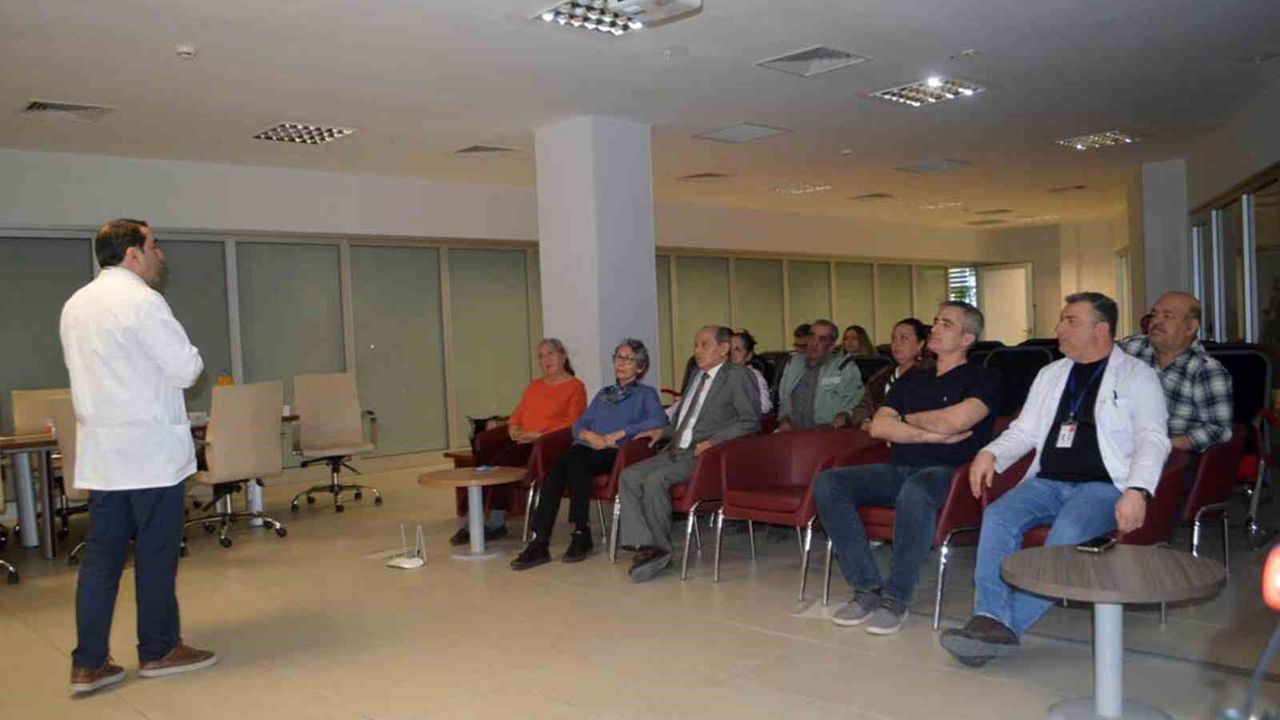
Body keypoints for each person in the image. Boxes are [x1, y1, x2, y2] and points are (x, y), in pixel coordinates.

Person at [940, 292, 1170, 666]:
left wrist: (1138, 489)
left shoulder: (1136, 375)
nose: (1059, 327)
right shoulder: (1051, 374)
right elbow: (1024, 431)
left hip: (1104, 486)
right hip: (1047, 482)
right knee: (998, 516)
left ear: (1101, 329)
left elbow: (1152, 438)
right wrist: (990, 453)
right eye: (1061, 319)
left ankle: (1002, 628)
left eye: (1070, 321)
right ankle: (989, 615)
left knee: (1069, 532)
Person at [61, 219, 216, 693]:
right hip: (149, 455)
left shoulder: (77, 304)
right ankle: (159, 649)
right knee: (155, 554)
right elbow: (186, 369)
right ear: (132, 253)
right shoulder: (143, 301)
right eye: (154, 246)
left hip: (105, 457)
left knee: (102, 558)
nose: (159, 255)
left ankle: (88, 663)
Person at [813, 301, 1001, 635]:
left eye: (946, 324)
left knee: (916, 491)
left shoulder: (984, 378)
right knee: (829, 482)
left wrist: (906, 419)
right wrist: (930, 432)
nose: (935, 328)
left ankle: (895, 598)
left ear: (967, 339)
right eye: (935, 321)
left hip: (950, 473)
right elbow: (879, 427)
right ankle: (867, 588)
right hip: (899, 466)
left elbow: (955, 422)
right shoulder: (914, 378)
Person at [619, 326, 760, 582]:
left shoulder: (738, 376)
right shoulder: (697, 375)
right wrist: (662, 432)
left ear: (724, 349)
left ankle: (661, 551)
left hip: (705, 457)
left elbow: (750, 421)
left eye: (704, 345)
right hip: (676, 449)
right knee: (629, 475)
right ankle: (645, 544)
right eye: (696, 345)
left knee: (655, 480)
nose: (697, 350)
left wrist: (714, 441)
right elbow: (685, 420)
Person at [510, 339, 666, 570]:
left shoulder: (646, 394)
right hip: (588, 447)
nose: (620, 364)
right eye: (618, 358)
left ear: (640, 367)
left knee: (575, 463)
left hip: (615, 452)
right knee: (558, 467)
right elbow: (579, 424)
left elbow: (658, 419)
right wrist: (588, 435)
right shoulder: (604, 394)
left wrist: (618, 434)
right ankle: (541, 540)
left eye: (628, 359)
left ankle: (580, 532)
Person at [451, 338, 587, 546]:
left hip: (544, 443)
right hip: (521, 438)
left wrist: (538, 435)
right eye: (541, 356)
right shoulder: (535, 386)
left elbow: (573, 423)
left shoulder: (575, 387)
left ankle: (495, 522)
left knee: (501, 461)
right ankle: (472, 520)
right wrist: (513, 428)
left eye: (550, 354)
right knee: (484, 454)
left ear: (563, 356)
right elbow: (518, 414)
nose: (545, 360)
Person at [1118, 291, 1233, 462]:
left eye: (1167, 316)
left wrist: (1163, 445)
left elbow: (1218, 430)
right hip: (1120, 451)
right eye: (1154, 314)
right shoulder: (1131, 349)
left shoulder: (1206, 370)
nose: (1156, 321)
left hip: (1174, 459)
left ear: (1190, 327)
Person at [776, 319, 865, 431]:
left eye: (822, 339)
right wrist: (784, 419)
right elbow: (784, 399)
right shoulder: (792, 364)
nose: (814, 343)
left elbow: (856, 399)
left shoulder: (844, 367)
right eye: (812, 336)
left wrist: (844, 414)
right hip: (794, 433)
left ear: (831, 345)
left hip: (828, 433)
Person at [848, 318, 932, 429]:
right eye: (893, 338)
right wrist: (865, 422)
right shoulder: (880, 376)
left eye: (904, 338)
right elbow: (861, 408)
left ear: (920, 343)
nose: (897, 344)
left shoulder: (931, 374)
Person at [730, 329, 774, 415]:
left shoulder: (754, 376)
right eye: (729, 349)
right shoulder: (719, 374)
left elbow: (765, 406)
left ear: (748, 356)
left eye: (737, 349)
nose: (731, 353)